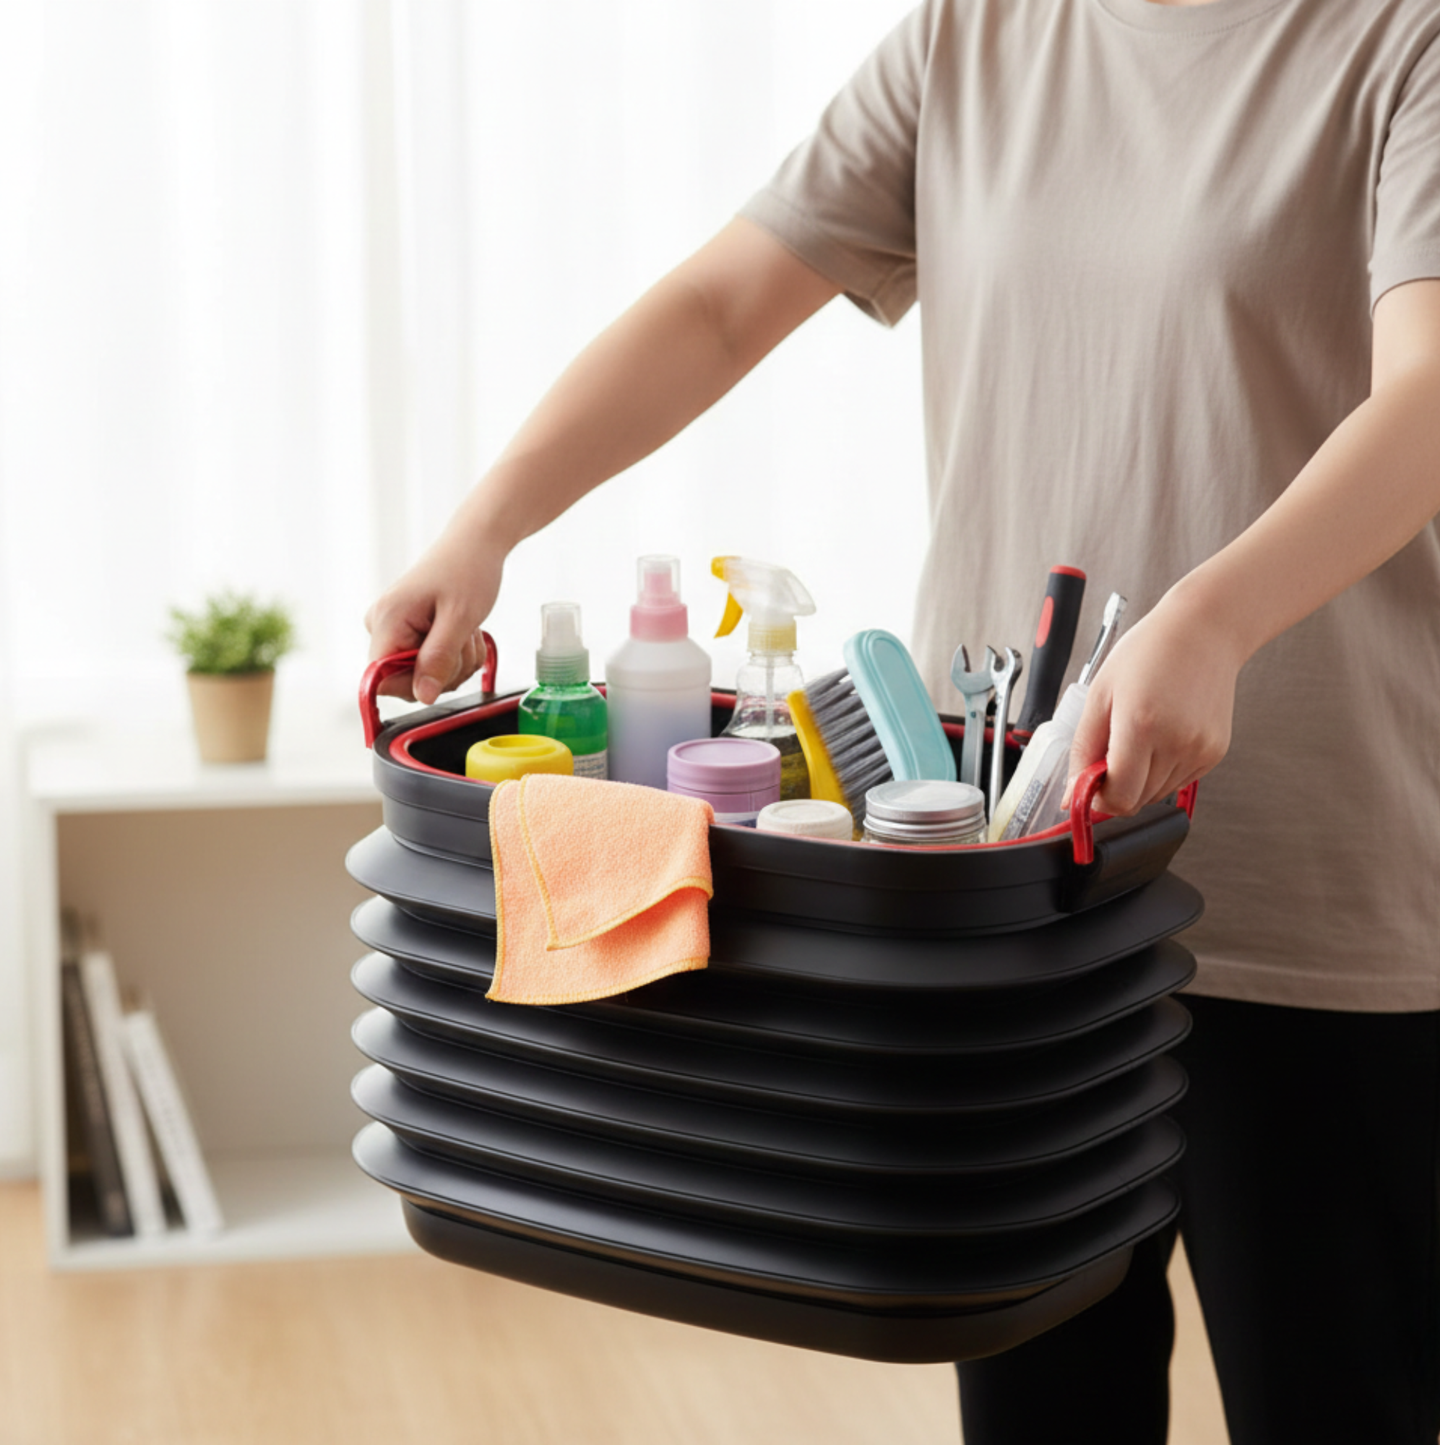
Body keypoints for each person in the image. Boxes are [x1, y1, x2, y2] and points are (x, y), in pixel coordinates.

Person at [366, 0, 1440, 1439]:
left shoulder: (1399, 42)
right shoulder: (974, 34)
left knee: (1339, 1399)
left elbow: (1427, 396)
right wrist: (486, 525)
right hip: (1006, 880)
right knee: (1038, 1404)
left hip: (1311, 889)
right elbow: (722, 303)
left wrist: (1212, 617)